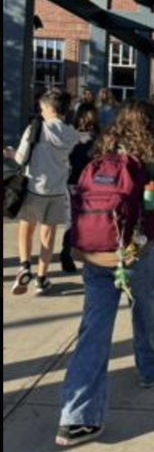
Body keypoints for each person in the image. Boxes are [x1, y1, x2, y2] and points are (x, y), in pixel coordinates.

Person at [56, 100, 154, 448]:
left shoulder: (92, 156)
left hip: (94, 252)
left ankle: (76, 418)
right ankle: (150, 368)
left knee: (93, 329)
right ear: (152, 127)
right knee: (144, 309)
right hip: (135, 252)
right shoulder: (147, 163)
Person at [7, 89, 80, 296]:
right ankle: (41, 279)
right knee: (47, 237)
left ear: (49, 107)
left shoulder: (36, 128)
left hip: (33, 188)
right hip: (56, 191)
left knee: (26, 229)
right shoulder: (71, 133)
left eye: (41, 107)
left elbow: (21, 158)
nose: (40, 110)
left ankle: (24, 267)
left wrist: (11, 153)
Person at [60, 102, 101, 274]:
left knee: (73, 219)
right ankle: (71, 253)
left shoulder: (71, 134)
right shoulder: (95, 136)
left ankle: (68, 253)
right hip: (85, 182)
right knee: (84, 219)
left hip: (75, 181)